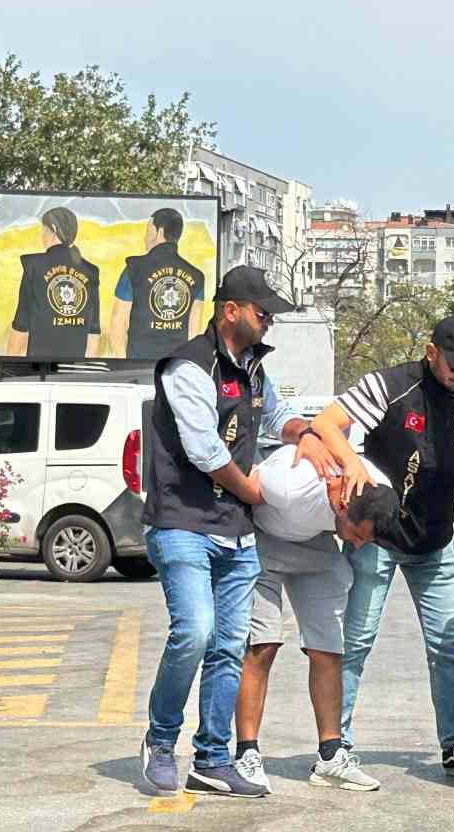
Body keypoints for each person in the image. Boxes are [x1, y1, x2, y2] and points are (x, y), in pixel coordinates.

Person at [307, 315, 454, 782]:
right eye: (453, 364)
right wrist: (350, 465)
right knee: (356, 643)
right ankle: (335, 745)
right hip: (377, 538)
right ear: (430, 353)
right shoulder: (389, 386)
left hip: (435, 541)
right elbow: (326, 423)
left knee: (448, 645)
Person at [138, 266, 326, 799]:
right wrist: (255, 492)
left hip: (237, 535)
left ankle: (213, 758)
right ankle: (159, 741)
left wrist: (307, 433)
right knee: (194, 632)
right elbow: (205, 451)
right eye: (263, 312)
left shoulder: (253, 370)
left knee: (228, 647)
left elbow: (277, 418)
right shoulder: (187, 367)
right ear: (231, 311)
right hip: (184, 523)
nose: (269, 322)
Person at [231, 446, 400, 794]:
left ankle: (330, 757)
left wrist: (353, 535)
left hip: (317, 543)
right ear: (341, 506)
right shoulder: (291, 484)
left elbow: (357, 526)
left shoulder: (377, 491)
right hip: (263, 540)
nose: (358, 544)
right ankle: (246, 754)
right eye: (357, 535)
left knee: (329, 648)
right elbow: (240, 485)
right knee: (262, 644)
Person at [106, 207, 208, 359]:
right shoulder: (197, 277)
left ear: (159, 232)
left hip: (138, 368)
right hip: (173, 368)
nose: (145, 238)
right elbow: (193, 334)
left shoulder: (133, 269)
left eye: (148, 231)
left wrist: (125, 362)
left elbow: (117, 325)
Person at [5, 206, 101, 359]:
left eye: (43, 230)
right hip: (74, 370)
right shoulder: (91, 271)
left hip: (39, 369)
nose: (42, 236)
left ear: (54, 229)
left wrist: (10, 366)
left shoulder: (34, 266)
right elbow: (93, 332)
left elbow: (21, 326)